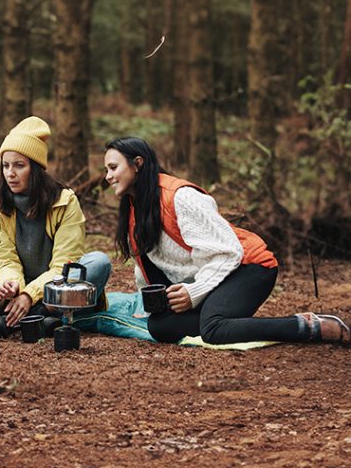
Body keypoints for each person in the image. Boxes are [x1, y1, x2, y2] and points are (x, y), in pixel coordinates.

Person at [104, 136, 350, 345]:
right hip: (216, 276)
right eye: (107, 170)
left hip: (249, 266)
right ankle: (223, 319)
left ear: (137, 164)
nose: (108, 176)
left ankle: (308, 326)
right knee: (160, 327)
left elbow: (229, 252)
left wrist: (194, 291)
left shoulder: (180, 198)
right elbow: (146, 265)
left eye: (113, 168)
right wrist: (148, 303)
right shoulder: (135, 210)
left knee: (214, 329)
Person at [0, 116, 111, 329]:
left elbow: (65, 264)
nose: (10, 173)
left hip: (55, 293)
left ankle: (25, 315)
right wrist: (12, 286)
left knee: (99, 262)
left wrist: (29, 296)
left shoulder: (65, 201)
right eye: (5, 165)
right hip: (16, 294)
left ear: (35, 167)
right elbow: (5, 260)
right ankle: (35, 318)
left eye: (19, 165)